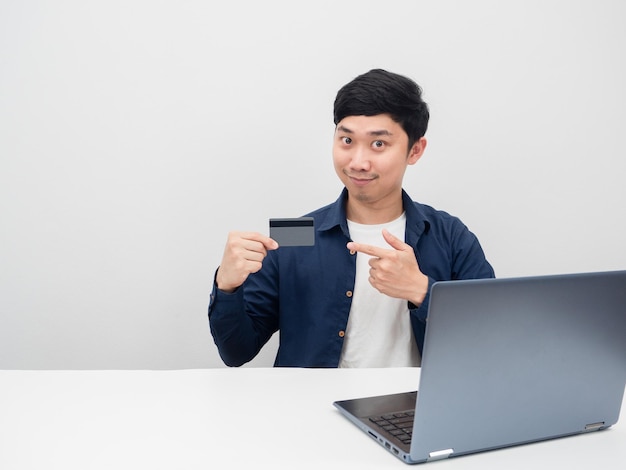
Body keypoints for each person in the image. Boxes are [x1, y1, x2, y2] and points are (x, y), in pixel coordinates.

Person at [208, 69, 494, 368]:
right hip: (309, 409)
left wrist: (422, 290)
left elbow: (491, 338)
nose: (358, 162)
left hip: (417, 410)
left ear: (415, 150)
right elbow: (236, 352)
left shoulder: (449, 235)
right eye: (346, 140)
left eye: (378, 144)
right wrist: (227, 286)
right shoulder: (295, 232)